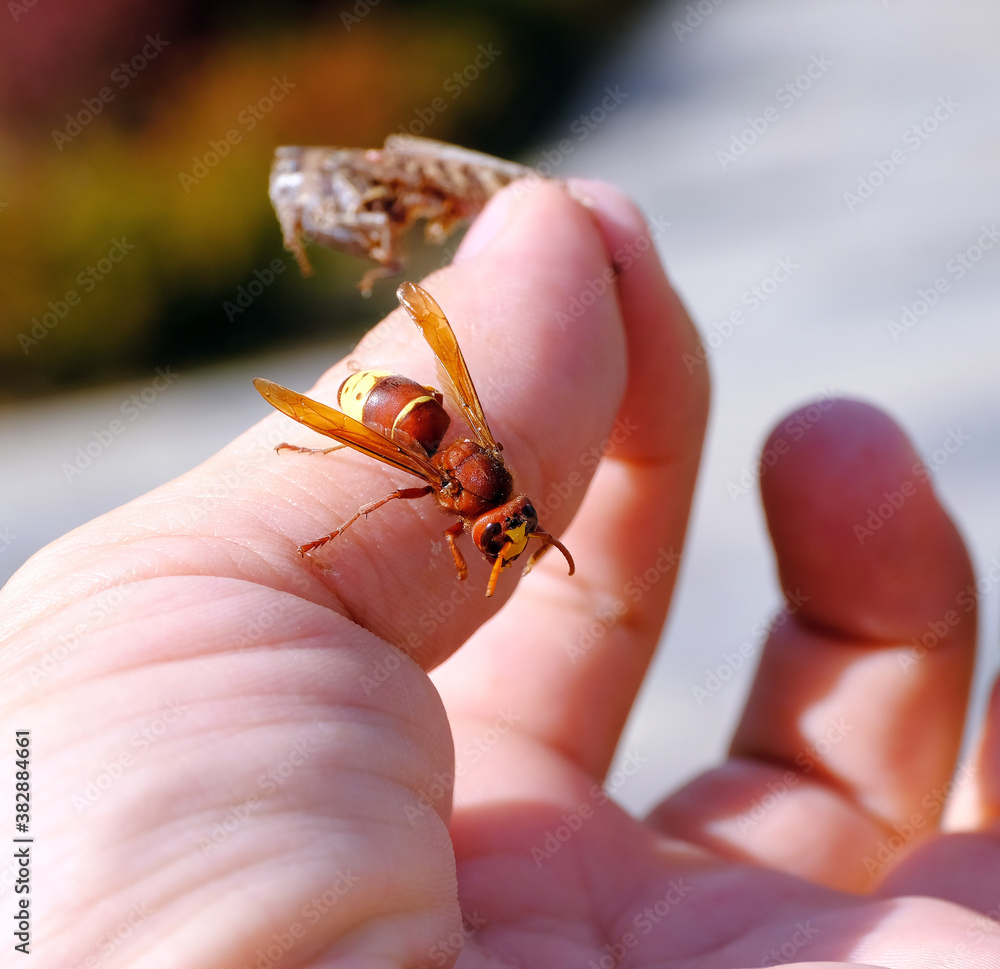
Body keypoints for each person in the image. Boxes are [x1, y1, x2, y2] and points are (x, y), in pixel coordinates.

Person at [2, 179, 993, 968]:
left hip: (430, 415)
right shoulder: (453, 483)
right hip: (385, 411)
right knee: (368, 488)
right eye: (509, 529)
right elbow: (435, 488)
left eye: (510, 531)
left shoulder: (489, 484)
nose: (505, 534)